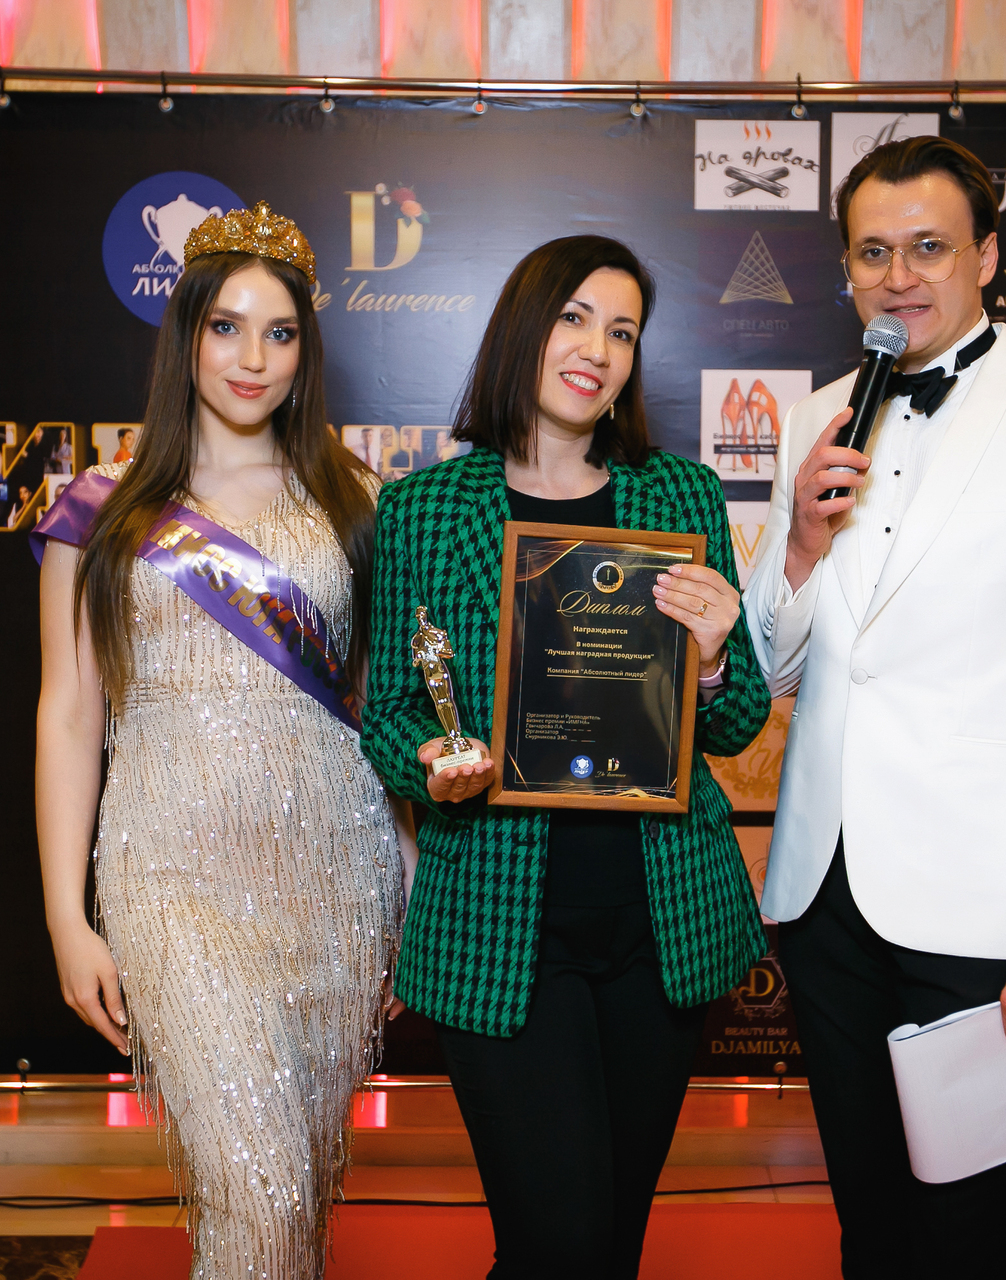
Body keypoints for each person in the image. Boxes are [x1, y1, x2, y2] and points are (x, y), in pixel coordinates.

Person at [744, 136, 1006, 1277]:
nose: (900, 277)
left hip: (984, 913)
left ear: (986, 255)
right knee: (868, 1224)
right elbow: (771, 668)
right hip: (825, 898)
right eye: (872, 252)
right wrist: (800, 544)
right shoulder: (818, 416)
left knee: (966, 1236)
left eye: (928, 247)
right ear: (846, 268)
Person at [360, 235, 770, 1280]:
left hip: (662, 926)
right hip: (500, 929)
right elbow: (392, 712)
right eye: (575, 317)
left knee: (610, 1244)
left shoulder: (680, 496)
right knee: (562, 1241)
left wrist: (714, 659)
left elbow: (737, 721)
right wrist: (432, 759)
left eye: (622, 331)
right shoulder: (424, 509)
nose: (598, 348)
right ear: (524, 327)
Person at [33, 203, 410, 1280]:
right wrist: (66, 916)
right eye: (227, 327)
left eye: (280, 332)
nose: (253, 359)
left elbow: (386, 707)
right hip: (171, 878)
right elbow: (69, 713)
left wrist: (411, 882)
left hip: (336, 880)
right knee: (260, 1184)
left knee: (298, 1203)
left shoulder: (356, 503)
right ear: (186, 334)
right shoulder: (103, 510)